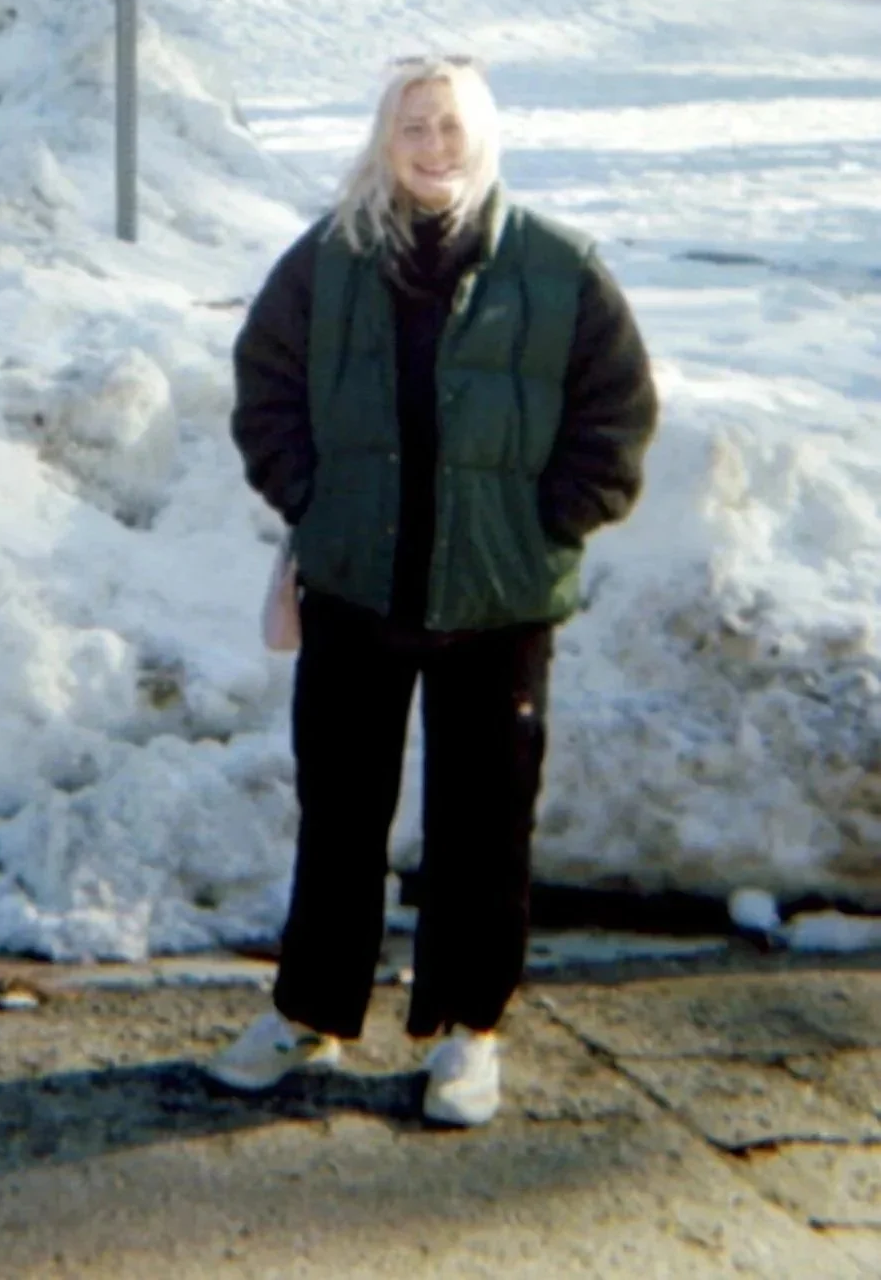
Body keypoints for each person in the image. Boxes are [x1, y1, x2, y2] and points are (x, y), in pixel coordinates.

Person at [210, 56, 657, 1126]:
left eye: (450, 124)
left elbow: (616, 410)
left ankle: (467, 1028)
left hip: (497, 600)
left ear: (481, 135)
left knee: (482, 822)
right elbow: (264, 390)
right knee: (340, 811)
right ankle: (309, 1006)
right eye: (411, 124)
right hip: (357, 587)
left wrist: (548, 522)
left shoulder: (554, 268)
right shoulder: (327, 261)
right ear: (382, 137)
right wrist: (312, 503)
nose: (431, 144)